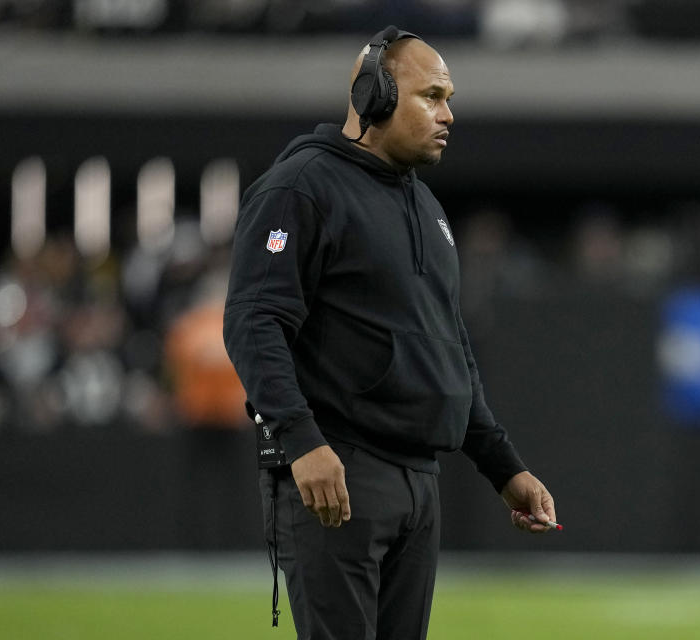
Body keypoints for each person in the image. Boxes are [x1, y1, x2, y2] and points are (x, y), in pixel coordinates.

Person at [222, 25, 558, 640]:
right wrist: (302, 443)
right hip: (340, 471)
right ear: (374, 95)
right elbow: (253, 320)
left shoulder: (426, 207)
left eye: (448, 97)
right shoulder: (301, 186)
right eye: (431, 96)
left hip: (418, 479)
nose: (448, 114)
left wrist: (504, 468)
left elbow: (448, 350)